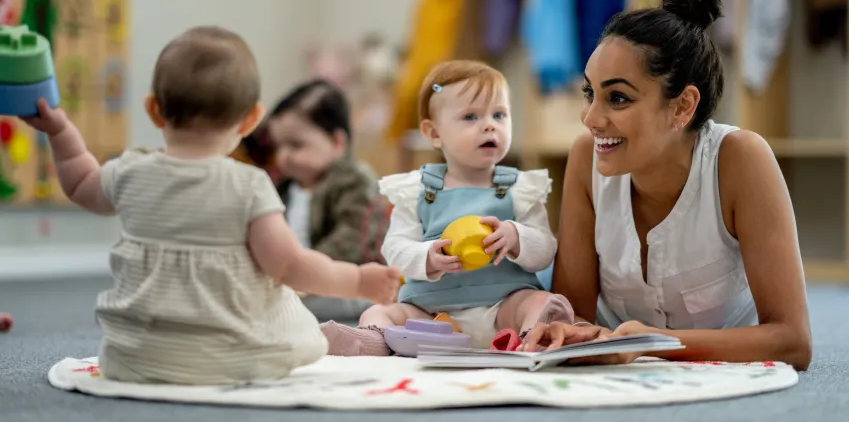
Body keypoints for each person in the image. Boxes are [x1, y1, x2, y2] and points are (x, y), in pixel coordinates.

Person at [20, 26, 400, 384]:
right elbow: (289, 266)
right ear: (252, 119)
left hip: (132, 356)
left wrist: (60, 131)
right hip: (229, 358)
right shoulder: (249, 185)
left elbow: (81, 183)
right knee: (290, 312)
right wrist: (357, 280)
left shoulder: (130, 170)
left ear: (154, 110)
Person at [519, 0, 813, 371]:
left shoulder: (741, 159)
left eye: (617, 98)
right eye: (590, 93)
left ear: (682, 107)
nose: (590, 117)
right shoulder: (585, 157)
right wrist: (566, 333)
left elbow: (793, 341)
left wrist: (652, 345)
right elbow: (576, 316)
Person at [320, 60, 575, 355]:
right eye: (470, 116)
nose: (490, 124)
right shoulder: (417, 190)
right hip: (432, 316)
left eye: (499, 114)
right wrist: (427, 257)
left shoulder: (520, 189)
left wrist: (516, 237)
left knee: (540, 302)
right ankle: (372, 340)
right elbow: (395, 250)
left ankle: (532, 337)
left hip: (502, 307)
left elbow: (545, 248)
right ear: (433, 133)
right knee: (380, 312)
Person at [264, 79, 389, 320]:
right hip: (295, 282)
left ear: (337, 142)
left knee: (337, 306)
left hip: (344, 284)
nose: (283, 156)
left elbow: (351, 238)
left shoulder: (354, 180)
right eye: (278, 147)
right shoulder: (285, 187)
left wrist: (305, 273)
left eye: (296, 145)